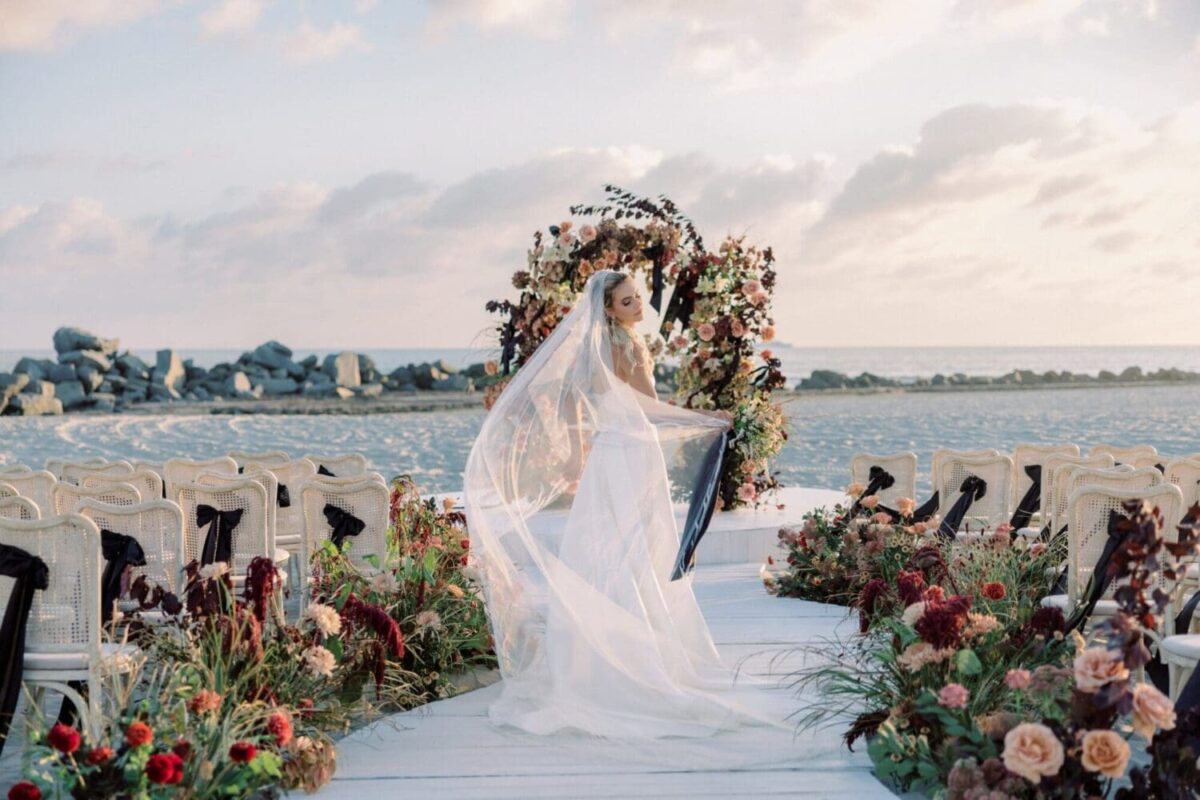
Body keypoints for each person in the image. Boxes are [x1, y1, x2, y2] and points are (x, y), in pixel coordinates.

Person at [463, 270, 796, 742]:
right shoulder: (629, 346)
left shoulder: (591, 350)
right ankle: (641, 658)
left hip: (607, 457)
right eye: (627, 302)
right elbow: (650, 410)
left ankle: (591, 661)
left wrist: (579, 455)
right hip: (636, 454)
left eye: (638, 297)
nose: (639, 306)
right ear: (608, 310)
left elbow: (580, 409)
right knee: (640, 553)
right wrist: (707, 419)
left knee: (605, 553)